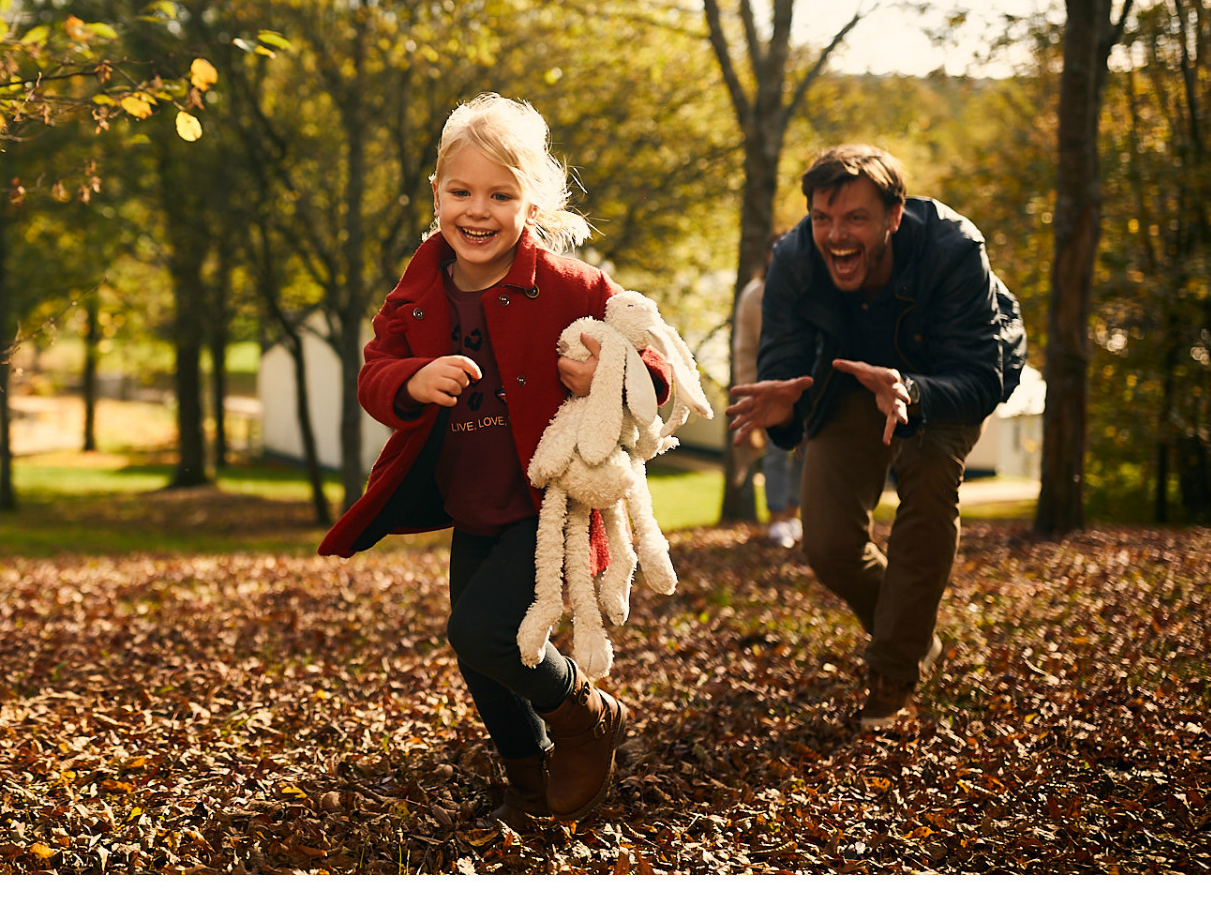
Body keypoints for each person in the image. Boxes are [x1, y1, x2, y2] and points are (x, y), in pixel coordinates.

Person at [318, 94, 673, 828]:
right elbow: (374, 373)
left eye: (500, 195)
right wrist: (411, 382)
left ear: (531, 203)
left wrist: (606, 373)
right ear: (437, 195)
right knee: (480, 659)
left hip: (546, 502)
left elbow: (654, 362)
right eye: (461, 192)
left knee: (484, 633)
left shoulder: (571, 287)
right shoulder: (417, 294)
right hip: (470, 498)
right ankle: (530, 782)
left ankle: (585, 715)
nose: (477, 211)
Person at [725, 145, 1024, 731]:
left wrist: (913, 387)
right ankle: (915, 637)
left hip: (944, 382)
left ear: (894, 214)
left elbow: (982, 376)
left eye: (855, 218)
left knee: (930, 482)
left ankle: (892, 667)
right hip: (853, 382)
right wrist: (783, 410)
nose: (835, 235)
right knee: (829, 542)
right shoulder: (792, 259)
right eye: (822, 219)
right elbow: (785, 368)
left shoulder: (953, 249)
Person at [732, 238, 803, 548]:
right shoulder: (753, 296)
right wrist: (749, 397)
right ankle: (776, 521)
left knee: (804, 453)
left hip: (805, 385)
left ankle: (792, 515)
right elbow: (745, 350)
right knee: (776, 452)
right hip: (767, 386)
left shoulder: (808, 288)